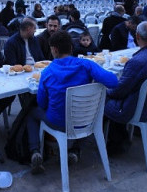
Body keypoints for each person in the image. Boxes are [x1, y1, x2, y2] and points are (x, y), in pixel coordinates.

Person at [28, 31, 118, 173]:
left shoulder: (46, 73)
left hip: (59, 122)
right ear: (71, 48)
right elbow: (113, 82)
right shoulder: (86, 65)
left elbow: (42, 104)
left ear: (54, 50)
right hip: (85, 119)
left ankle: (34, 151)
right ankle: (75, 151)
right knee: (87, 115)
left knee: (32, 113)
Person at [104, 22, 147, 155]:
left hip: (137, 107)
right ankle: (117, 138)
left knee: (102, 100)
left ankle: (114, 142)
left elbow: (119, 91)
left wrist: (104, 91)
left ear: (137, 36)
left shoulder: (137, 61)